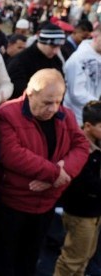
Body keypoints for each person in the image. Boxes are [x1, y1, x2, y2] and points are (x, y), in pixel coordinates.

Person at [0, 68, 90, 276]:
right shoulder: (7, 114)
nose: (53, 108)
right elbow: (11, 154)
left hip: (46, 204)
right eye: (47, 102)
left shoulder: (66, 114)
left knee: (30, 262)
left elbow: (81, 145)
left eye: (58, 101)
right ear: (30, 93)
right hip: (12, 204)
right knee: (5, 263)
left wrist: (58, 177)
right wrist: (55, 174)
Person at [54, 101, 101, 276]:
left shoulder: (97, 145)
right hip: (80, 213)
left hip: (94, 212)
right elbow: (86, 183)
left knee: (84, 258)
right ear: (88, 126)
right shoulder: (79, 149)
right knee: (72, 260)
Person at [7, 24, 66, 99]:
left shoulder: (56, 60)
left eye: (59, 47)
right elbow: (17, 89)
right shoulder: (21, 61)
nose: (56, 51)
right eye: (52, 46)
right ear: (42, 42)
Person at [63, 24, 101, 126]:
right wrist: (98, 104)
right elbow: (76, 92)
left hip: (94, 114)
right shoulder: (79, 59)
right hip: (77, 116)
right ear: (95, 36)